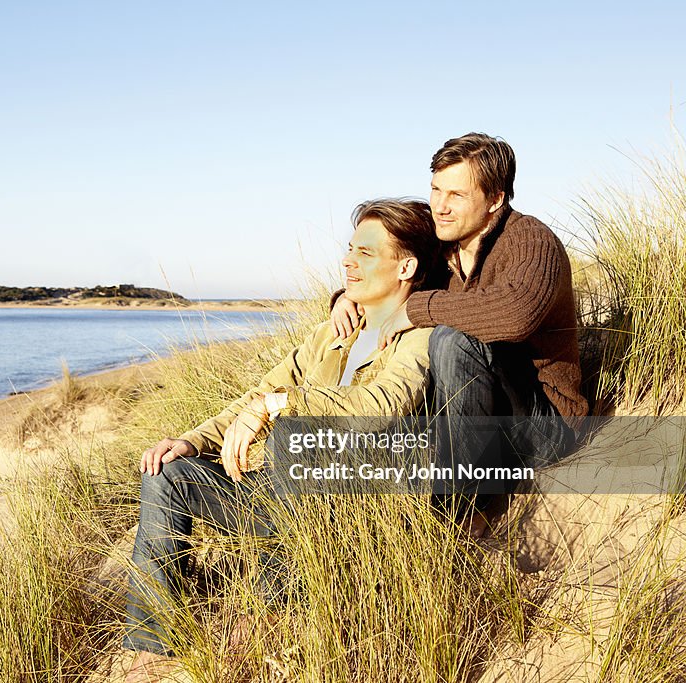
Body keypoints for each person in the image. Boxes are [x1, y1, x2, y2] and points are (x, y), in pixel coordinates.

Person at [122, 198, 440, 681]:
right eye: (349, 250)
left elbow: (382, 407)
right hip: (276, 493)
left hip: (347, 507)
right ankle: (155, 640)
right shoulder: (332, 333)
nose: (348, 262)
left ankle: (265, 617)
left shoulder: (422, 336)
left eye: (366, 254)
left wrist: (280, 407)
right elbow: (256, 394)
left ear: (407, 266)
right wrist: (192, 442)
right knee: (167, 472)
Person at [330, 133, 588, 521]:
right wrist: (346, 298)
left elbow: (516, 314)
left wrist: (422, 306)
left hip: (544, 424)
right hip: (476, 419)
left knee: (452, 340)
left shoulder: (532, 240)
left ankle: (459, 512)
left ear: (495, 200)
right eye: (436, 190)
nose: (440, 207)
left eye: (457, 195)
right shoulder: (442, 248)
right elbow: (392, 278)